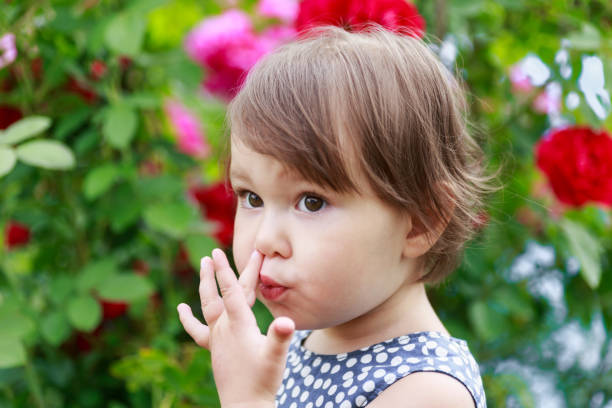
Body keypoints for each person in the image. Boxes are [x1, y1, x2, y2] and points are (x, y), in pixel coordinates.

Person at [177, 24, 493, 408]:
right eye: (252, 197)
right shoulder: (303, 338)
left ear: (420, 222)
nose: (264, 240)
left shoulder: (428, 392)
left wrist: (247, 399)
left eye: (311, 202)